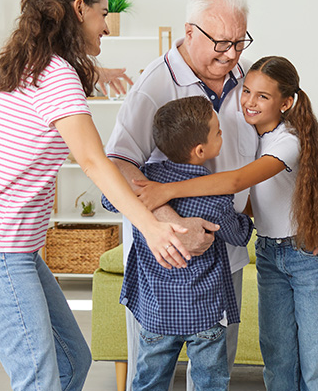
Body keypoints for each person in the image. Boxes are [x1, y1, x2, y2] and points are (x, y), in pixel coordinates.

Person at [0, 0, 189, 391]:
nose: (107, 27)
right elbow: (94, 162)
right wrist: (150, 227)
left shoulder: (35, 64)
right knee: (39, 379)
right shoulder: (57, 75)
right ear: (79, 9)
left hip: (13, 251)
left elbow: (62, 84)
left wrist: (99, 72)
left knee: (73, 361)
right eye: (103, 14)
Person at [135, 56, 318, 390]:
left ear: (286, 103)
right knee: (278, 356)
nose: (249, 101)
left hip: (306, 255)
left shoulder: (289, 140)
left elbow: (236, 182)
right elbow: (254, 201)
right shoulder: (252, 138)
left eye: (263, 96)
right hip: (269, 254)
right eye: (247, 91)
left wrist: (168, 191)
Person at [105, 0, 258, 387]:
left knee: (213, 369)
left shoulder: (247, 76)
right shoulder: (153, 86)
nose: (231, 54)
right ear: (189, 32)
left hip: (222, 262)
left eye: (239, 42)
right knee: (151, 369)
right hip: (162, 261)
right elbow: (117, 166)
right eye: (221, 43)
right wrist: (171, 223)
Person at [102, 96, 254, 391]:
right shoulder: (214, 195)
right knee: (210, 384)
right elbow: (239, 235)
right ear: (201, 151)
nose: (222, 134)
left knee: (149, 382)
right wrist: (247, 217)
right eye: (218, 132)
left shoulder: (144, 182)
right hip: (205, 313)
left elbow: (110, 198)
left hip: (156, 311)